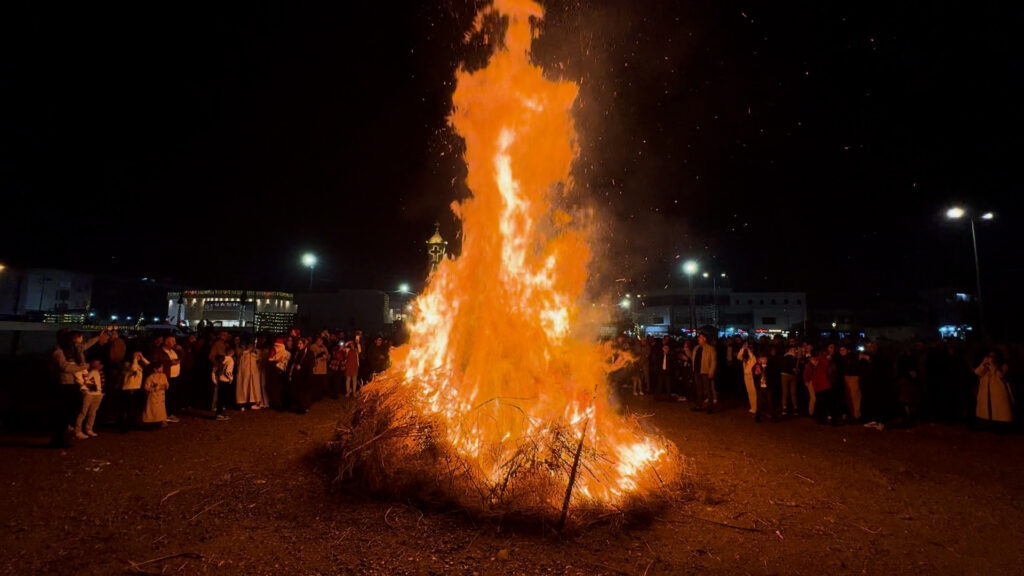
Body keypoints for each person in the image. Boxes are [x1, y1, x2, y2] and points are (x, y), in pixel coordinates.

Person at [50, 330, 89, 447]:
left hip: (71, 384)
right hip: (64, 384)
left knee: (69, 411)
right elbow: (65, 367)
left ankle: (65, 436)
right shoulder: (58, 352)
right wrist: (82, 368)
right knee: (63, 412)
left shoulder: (69, 351)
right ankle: (59, 438)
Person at [974, 351, 1014, 429]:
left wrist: (992, 365)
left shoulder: (1003, 365)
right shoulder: (985, 366)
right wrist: (983, 363)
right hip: (986, 391)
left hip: (998, 391)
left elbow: (1000, 375)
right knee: (987, 410)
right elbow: (977, 372)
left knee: (999, 411)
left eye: (992, 357)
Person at [74, 359, 106, 438]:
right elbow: (84, 381)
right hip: (89, 394)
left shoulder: (100, 372)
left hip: (98, 394)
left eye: (98, 364)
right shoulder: (89, 372)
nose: (98, 365)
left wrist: (101, 392)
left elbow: (101, 382)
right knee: (83, 412)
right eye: (96, 364)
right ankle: (77, 431)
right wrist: (85, 390)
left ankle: (89, 429)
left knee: (92, 413)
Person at [119, 350, 149, 432]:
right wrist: (135, 359)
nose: (138, 357)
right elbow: (133, 369)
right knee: (127, 408)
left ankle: (134, 423)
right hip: (128, 389)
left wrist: (142, 358)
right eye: (136, 355)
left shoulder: (139, 365)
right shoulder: (127, 364)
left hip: (137, 388)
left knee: (136, 407)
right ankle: (124, 426)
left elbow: (149, 366)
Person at [691, 332, 718, 413]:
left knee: (708, 390)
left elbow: (714, 361)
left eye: (700, 337)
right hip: (697, 371)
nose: (698, 339)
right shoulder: (696, 348)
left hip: (705, 371)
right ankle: (699, 405)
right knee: (699, 389)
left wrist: (711, 371)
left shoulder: (710, 348)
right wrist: (686, 350)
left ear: (704, 339)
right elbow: (693, 358)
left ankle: (710, 407)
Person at [235, 341, 263, 410]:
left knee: (252, 388)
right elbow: (239, 357)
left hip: (252, 374)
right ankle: (242, 404)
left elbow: (259, 359)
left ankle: (252, 403)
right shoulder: (243, 353)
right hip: (244, 373)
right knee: (243, 387)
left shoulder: (254, 354)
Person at [142, 363, 169, 428]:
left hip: (161, 396)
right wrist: (154, 388)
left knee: (161, 409)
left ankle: (161, 420)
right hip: (153, 396)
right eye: (160, 367)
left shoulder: (163, 376)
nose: (162, 369)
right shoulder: (150, 377)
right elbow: (146, 387)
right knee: (152, 410)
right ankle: (151, 422)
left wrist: (164, 386)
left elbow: (166, 384)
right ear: (155, 369)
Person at [211, 349, 235, 421]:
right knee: (223, 398)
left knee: (220, 397)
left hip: (220, 380)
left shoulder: (220, 360)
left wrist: (215, 380)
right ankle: (219, 414)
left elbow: (214, 371)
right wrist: (231, 378)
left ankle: (220, 412)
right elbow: (228, 371)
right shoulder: (230, 360)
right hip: (225, 380)